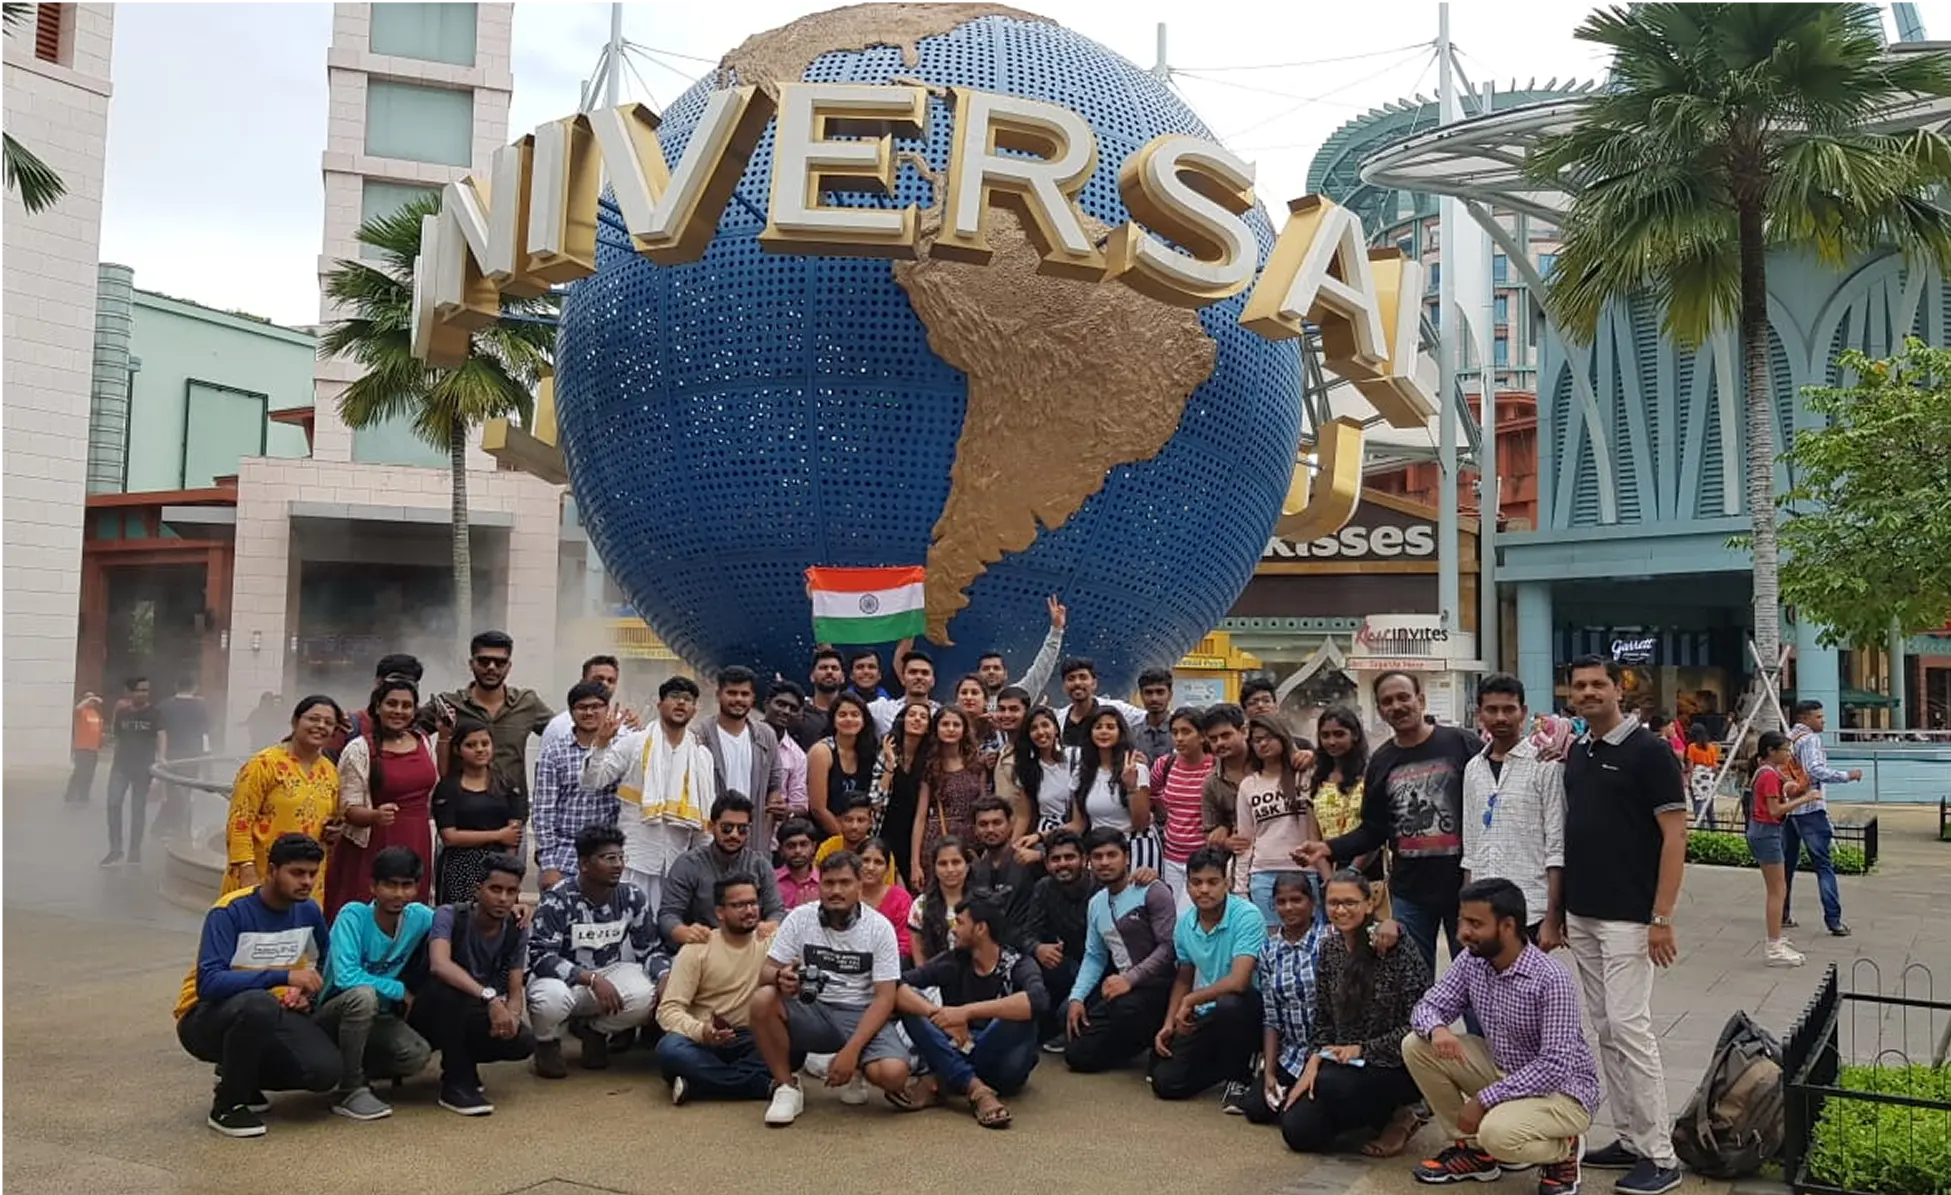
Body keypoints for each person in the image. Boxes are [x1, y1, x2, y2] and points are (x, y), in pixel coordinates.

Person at [1559, 655, 1687, 1194]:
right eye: (1579, 686)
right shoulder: (1579, 751)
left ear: (1618, 689)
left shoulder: (1650, 751)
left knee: (1630, 1028)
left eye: (1598, 684)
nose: (1588, 693)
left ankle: (1660, 1155)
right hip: (1584, 913)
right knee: (1606, 1029)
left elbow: (1675, 837)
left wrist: (1662, 917)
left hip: (1631, 918)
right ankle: (1631, 1137)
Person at [1406, 878, 1600, 1195]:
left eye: (1475, 924)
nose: (1462, 933)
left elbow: (1554, 1066)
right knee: (1417, 1045)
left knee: (1496, 1135)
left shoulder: (1551, 978)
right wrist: (1437, 1029)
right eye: (1462, 921)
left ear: (1508, 926)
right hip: (1504, 1072)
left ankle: (1564, 1148)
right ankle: (1474, 1153)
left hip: (1562, 1093)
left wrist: (1484, 1100)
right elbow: (1427, 1007)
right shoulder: (1472, 960)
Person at [1301, 671, 1476, 977]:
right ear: (1380, 711)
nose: (1397, 706)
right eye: (1387, 701)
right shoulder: (1382, 761)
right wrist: (1327, 848)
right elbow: (1374, 829)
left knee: (1475, 975)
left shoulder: (1461, 743)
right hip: (1410, 891)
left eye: (1403, 697)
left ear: (1420, 700)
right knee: (1412, 981)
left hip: (1465, 884)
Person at [175, 833, 338, 1137]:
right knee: (258, 1004)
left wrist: (305, 993)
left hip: (272, 1011)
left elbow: (325, 958)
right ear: (272, 870)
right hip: (205, 1017)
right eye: (297, 873)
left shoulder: (308, 910)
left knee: (324, 1072)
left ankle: (241, 1075)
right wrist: (282, 977)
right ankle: (228, 1105)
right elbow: (209, 982)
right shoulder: (229, 911)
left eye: (312, 873)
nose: (306, 882)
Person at [1275, 869, 1429, 1157]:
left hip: (1393, 1064)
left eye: (1350, 902)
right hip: (1342, 1064)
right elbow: (1322, 1018)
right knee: (1298, 1130)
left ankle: (1403, 1114)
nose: (1341, 910)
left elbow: (1419, 1024)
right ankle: (1367, 1118)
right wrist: (1315, 1059)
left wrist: (1362, 1049)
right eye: (1334, 903)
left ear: (1369, 904)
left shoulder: (1394, 946)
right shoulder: (1329, 948)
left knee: (1332, 1085)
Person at [752, 851, 912, 1125]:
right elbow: (765, 972)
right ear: (820, 885)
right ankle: (787, 1086)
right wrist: (780, 976)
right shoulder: (800, 918)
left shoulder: (879, 928)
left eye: (845, 883)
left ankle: (859, 1068)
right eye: (829, 883)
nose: (836, 891)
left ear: (859, 885)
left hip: (861, 1013)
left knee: (894, 1075)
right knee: (762, 998)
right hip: (813, 1009)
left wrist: (851, 1052)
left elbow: (885, 998)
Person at [894, 890, 1049, 1127]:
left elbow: (1038, 1000)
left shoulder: (1017, 964)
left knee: (1015, 1013)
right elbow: (897, 985)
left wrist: (965, 1013)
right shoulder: (954, 961)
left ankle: (944, 1080)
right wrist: (938, 1016)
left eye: (960, 922)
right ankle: (976, 1089)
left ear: (980, 928)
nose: (953, 930)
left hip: (1002, 1068)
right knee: (910, 1008)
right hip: (957, 1047)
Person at [526, 824, 664, 1077]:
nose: (618, 865)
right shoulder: (558, 898)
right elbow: (541, 957)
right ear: (584, 864)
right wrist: (590, 978)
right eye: (609, 858)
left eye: (621, 857)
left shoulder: (631, 896)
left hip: (606, 975)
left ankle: (595, 1032)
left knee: (646, 994)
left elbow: (650, 949)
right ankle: (547, 1043)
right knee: (550, 999)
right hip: (564, 980)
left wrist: (665, 976)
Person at [317, 846, 436, 1120]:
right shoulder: (354, 915)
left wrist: (511, 910)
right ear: (373, 886)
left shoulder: (418, 916)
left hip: (380, 1017)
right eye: (390, 885)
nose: (398, 894)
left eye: (407, 885)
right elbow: (346, 976)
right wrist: (399, 990)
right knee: (363, 996)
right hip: (335, 1011)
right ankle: (349, 1088)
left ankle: (349, 1067)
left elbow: (455, 922)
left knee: (416, 1055)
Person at [412, 852, 535, 1115]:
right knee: (452, 991)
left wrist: (512, 1017)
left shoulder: (516, 928)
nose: (503, 898)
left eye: (511, 892)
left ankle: (464, 1066)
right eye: (495, 889)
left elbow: (515, 988)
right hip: (429, 1009)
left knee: (522, 1041)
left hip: (474, 1008)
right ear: (478, 889)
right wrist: (490, 998)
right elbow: (439, 964)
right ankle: (455, 1083)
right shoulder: (449, 915)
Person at [581, 677, 716, 912]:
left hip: (676, 865)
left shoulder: (701, 756)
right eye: (674, 697)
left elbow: (705, 817)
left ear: (695, 709)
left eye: (687, 700)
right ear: (659, 704)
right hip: (635, 860)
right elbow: (592, 782)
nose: (681, 703)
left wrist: (704, 864)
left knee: (669, 927)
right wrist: (601, 743)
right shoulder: (634, 744)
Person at [1151, 846, 1265, 1108]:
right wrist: (1169, 1023)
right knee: (1166, 1082)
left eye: (1213, 882)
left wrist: (1191, 1000)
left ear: (1227, 883)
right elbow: (1184, 976)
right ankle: (1225, 1066)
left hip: (1250, 1010)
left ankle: (1240, 1076)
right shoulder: (1184, 923)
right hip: (1207, 1011)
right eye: (1196, 882)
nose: (1204, 890)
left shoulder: (1247, 916)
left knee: (1230, 1004)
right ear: (1187, 885)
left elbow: (1239, 981)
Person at [1460, 674, 1566, 947]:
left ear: (1523, 713)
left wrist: (1553, 918)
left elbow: (1556, 847)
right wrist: (1466, 911)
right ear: (1479, 715)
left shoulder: (1545, 765)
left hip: (1531, 909)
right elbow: (1471, 847)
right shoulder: (1473, 769)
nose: (1501, 717)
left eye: (1509, 709)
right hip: (1482, 910)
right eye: (1492, 709)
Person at [1063, 827, 1178, 1073]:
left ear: (1126, 857)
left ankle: (1163, 1040)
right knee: (1077, 1054)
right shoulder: (1096, 903)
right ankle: (1138, 1044)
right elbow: (1094, 956)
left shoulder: (1152, 890)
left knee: (1126, 1009)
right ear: (1089, 862)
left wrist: (1130, 979)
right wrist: (1076, 998)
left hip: (1159, 987)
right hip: (1124, 991)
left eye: (1111, 855)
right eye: (1097, 856)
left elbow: (1169, 947)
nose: (1104, 862)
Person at [327, 674, 439, 919]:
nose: (399, 711)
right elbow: (346, 808)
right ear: (377, 707)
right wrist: (374, 815)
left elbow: (435, 786)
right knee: (368, 911)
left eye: (406, 705)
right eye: (392, 704)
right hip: (376, 842)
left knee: (411, 909)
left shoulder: (422, 741)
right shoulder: (359, 748)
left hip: (418, 836)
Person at [655, 877, 774, 1105]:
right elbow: (668, 1010)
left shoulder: (771, 943)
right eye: (739, 905)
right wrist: (702, 1031)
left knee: (794, 1046)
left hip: (750, 1038)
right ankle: (759, 1085)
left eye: (753, 903)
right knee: (670, 1050)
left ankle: (698, 1086)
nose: (749, 911)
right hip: (704, 1040)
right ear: (720, 912)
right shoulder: (697, 949)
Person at [223, 696, 343, 895]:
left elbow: (330, 820)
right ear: (295, 722)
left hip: (306, 882)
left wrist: (333, 832)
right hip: (262, 875)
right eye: (313, 719)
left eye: (328, 723)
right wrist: (246, 870)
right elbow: (239, 821)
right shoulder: (263, 764)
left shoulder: (330, 772)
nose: (321, 726)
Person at [658, 794, 787, 952]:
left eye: (742, 829)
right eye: (727, 828)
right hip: (701, 949)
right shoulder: (689, 864)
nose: (734, 834)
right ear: (712, 826)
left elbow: (776, 911)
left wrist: (771, 925)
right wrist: (685, 932)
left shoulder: (760, 865)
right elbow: (668, 916)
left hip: (748, 949)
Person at [1243, 872, 1323, 1125]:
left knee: (1298, 1122)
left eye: (1296, 900)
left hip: (1325, 1053)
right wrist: (1269, 1072)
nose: (1288, 907)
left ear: (1312, 902)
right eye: (1281, 901)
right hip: (1292, 1055)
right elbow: (1271, 1017)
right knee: (1256, 1107)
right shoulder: (1269, 950)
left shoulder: (1329, 941)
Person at [436, 631, 553, 802]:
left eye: (500, 662)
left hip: (511, 807)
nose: (491, 667)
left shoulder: (527, 702)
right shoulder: (450, 704)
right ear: (471, 663)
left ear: (509, 666)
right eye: (484, 661)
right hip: (461, 807)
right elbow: (406, 729)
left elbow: (565, 734)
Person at [531, 680, 622, 891]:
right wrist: (548, 865)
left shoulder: (621, 749)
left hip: (608, 855)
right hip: (564, 854)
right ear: (571, 712)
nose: (589, 712)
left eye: (596, 706)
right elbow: (543, 811)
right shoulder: (554, 752)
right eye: (582, 707)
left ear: (607, 709)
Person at [1233, 716, 1324, 927]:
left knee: (1312, 937)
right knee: (1272, 939)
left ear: (1283, 737)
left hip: (1306, 871)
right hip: (1263, 875)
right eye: (1257, 740)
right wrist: (1241, 888)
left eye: (1269, 737)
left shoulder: (1306, 775)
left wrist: (1314, 756)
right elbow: (1245, 841)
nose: (1263, 744)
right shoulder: (1248, 785)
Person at [1783, 699, 1861, 937]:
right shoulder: (1810, 740)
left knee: (1786, 865)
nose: (1823, 721)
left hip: (1790, 808)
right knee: (1824, 865)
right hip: (1810, 808)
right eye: (1818, 717)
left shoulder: (1788, 739)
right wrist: (1847, 775)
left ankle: (1782, 913)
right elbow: (1815, 770)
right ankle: (1833, 919)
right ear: (1805, 718)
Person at [432, 718, 529, 905]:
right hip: (459, 867)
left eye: (485, 744)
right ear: (457, 750)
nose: (480, 749)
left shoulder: (507, 784)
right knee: (458, 918)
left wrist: (508, 871)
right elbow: (450, 837)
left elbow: (513, 835)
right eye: (471, 745)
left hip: (498, 866)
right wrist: (498, 835)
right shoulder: (448, 788)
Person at [1747, 731, 1816, 967]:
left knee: (1778, 888)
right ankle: (1773, 946)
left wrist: (1791, 786)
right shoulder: (1767, 774)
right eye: (1785, 750)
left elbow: (1781, 787)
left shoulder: (1768, 771)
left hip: (1765, 831)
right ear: (1771, 751)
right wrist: (1805, 799)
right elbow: (1775, 810)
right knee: (1777, 890)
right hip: (1767, 832)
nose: (1788, 754)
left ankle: (1775, 937)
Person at [699, 666, 787, 846]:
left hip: (754, 836)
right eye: (732, 693)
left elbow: (775, 780)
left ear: (753, 697)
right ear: (718, 695)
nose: (738, 699)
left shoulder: (765, 735)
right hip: (712, 837)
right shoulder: (701, 735)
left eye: (744, 694)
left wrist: (774, 801)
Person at [1066, 706, 1157, 874]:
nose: (1104, 732)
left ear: (1120, 732)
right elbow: (1078, 824)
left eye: (1110, 727)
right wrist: (1041, 836)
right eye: (1098, 727)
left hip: (1136, 848)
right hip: (1100, 850)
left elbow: (1141, 823)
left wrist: (1131, 787)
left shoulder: (1136, 768)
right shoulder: (1081, 772)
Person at [1024, 828, 1093, 1048]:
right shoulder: (1043, 888)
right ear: (1046, 864)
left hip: (1100, 970)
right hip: (1065, 965)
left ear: (1084, 859)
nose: (1062, 864)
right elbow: (1028, 934)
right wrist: (1038, 948)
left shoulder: (1100, 887)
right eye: (1056, 859)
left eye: (1069, 857)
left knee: (1066, 1014)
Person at [1310, 706, 1386, 905]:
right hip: (1328, 871)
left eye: (1339, 734)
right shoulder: (1317, 777)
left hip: (1366, 868)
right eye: (1325, 735)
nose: (1332, 741)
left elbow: (1375, 830)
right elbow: (1313, 834)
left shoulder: (1370, 774)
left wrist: (1353, 871)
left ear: (1354, 735)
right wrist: (1329, 878)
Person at [913, 705, 987, 886]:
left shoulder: (977, 764)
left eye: (956, 725)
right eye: (945, 724)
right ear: (936, 729)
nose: (951, 729)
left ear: (964, 730)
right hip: (938, 840)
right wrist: (914, 863)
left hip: (972, 841)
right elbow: (921, 817)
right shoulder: (930, 767)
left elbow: (984, 808)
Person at [1150, 706, 1215, 902]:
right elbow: (1153, 794)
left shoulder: (1215, 767)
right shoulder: (1164, 765)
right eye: (1175, 732)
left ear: (1202, 736)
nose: (1179, 738)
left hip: (1204, 860)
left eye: (1186, 732)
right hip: (1171, 858)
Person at [968, 794, 1042, 953]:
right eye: (983, 824)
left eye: (997, 823)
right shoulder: (974, 870)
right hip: (989, 953)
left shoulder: (1031, 857)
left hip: (1029, 949)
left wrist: (1041, 857)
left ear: (1010, 824)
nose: (990, 829)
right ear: (975, 829)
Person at [103, 676, 164, 867]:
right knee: (113, 804)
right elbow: (117, 738)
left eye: (146, 690)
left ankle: (134, 851)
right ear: (131, 693)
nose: (143, 694)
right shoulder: (122, 714)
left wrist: (161, 760)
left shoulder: (155, 713)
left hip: (143, 768)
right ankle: (115, 849)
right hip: (121, 766)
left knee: (138, 809)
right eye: (139, 690)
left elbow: (161, 735)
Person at [805, 690, 879, 838]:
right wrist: (846, 840)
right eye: (842, 715)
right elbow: (818, 809)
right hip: (826, 835)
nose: (849, 719)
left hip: (859, 834)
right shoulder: (821, 751)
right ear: (833, 719)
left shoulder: (868, 751)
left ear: (864, 720)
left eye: (855, 715)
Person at [974, 594, 1068, 705]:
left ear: (1005, 674)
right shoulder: (966, 703)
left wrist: (1056, 631)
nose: (991, 672)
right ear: (977, 675)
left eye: (996, 668)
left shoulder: (1019, 695)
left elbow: (1040, 670)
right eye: (986, 669)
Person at [877, 699, 932, 886]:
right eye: (912, 715)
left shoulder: (929, 760)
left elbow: (922, 810)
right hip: (884, 828)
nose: (917, 719)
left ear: (928, 727)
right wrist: (890, 764)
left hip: (915, 832)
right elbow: (877, 800)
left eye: (923, 717)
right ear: (902, 720)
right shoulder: (886, 752)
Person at [999, 706, 1070, 841]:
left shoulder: (1074, 758)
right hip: (1046, 837)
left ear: (1055, 728)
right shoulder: (1027, 770)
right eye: (1034, 728)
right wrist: (1013, 846)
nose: (1040, 732)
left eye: (1045, 725)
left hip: (1078, 833)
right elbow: (1024, 816)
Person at [156, 674, 211, 843]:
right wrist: (206, 758)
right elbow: (205, 732)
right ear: (194, 687)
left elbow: (159, 731)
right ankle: (182, 827)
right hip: (192, 755)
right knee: (187, 791)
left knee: (172, 790)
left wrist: (160, 754)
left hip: (171, 754)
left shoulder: (164, 705)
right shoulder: (201, 706)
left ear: (176, 686)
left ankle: (170, 826)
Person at [540, 655, 625, 753]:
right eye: (598, 679)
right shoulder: (558, 726)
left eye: (611, 681)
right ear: (583, 681)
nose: (605, 684)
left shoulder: (625, 725)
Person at [1056, 656, 1147, 748]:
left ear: (1094, 683)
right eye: (1071, 679)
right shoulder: (1058, 719)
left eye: (1083, 677)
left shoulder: (1118, 709)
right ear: (1064, 686)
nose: (1077, 683)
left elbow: (1147, 718)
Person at [1199, 703, 1251, 859]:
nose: (1220, 743)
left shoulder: (1268, 764)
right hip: (1242, 858)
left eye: (1226, 735)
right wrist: (1227, 842)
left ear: (1244, 732)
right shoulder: (1212, 783)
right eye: (1213, 739)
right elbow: (1210, 832)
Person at [762, 681, 811, 845]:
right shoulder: (743, 739)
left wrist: (786, 811)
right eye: (781, 704)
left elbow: (800, 805)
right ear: (766, 704)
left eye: (793, 708)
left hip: (772, 841)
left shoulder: (798, 756)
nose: (786, 711)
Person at [911, 836, 973, 965]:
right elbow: (919, 955)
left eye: (956, 862)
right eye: (943, 864)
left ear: (967, 866)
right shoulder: (920, 905)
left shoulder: (981, 902)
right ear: (934, 868)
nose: (950, 869)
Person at [817, 791, 898, 888]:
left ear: (870, 822)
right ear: (839, 821)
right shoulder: (827, 848)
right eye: (849, 820)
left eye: (861, 820)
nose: (854, 826)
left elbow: (888, 890)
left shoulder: (881, 853)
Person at [858, 836, 915, 959]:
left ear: (888, 869)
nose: (871, 867)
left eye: (878, 862)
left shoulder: (900, 898)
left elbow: (905, 945)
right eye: (865, 860)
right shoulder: (846, 895)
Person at [867, 649, 941, 737]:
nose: (919, 677)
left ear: (933, 681)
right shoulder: (882, 710)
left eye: (925, 673)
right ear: (902, 679)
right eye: (913, 672)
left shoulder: (941, 714)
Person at [790, 647, 848, 751]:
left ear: (843, 677)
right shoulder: (797, 712)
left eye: (834, 668)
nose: (829, 671)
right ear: (812, 676)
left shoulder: (853, 714)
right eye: (823, 668)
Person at [774, 816, 822, 909]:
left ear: (813, 847)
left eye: (803, 844)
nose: (798, 851)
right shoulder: (771, 882)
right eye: (791, 846)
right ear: (781, 850)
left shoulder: (824, 881)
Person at [66, 691, 104, 804]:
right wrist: (90, 699)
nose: (91, 701)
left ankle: (84, 795)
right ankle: (70, 794)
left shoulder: (96, 713)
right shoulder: (81, 712)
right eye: (89, 698)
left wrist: (100, 740)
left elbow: (98, 729)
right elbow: (77, 708)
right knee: (79, 772)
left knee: (89, 774)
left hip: (93, 749)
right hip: (82, 748)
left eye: (92, 699)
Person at [1134, 667, 1176, 762]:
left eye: (1160, 692)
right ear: (1141, 695)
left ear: (1170, 695)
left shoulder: (1182, 732)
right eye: (1148, 693)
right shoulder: (1131, 735)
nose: (1154, 698)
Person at [1684, 721, 1722, 822]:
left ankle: (1700, 827)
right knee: (1709, 807)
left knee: (1698, 805)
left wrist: (1689, 781)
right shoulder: (1711, 747)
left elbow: (1691, 766)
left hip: (1697, 777)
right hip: (1708, 778)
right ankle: (1713, 828)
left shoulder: (1692, 747)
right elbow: (1715, 766)